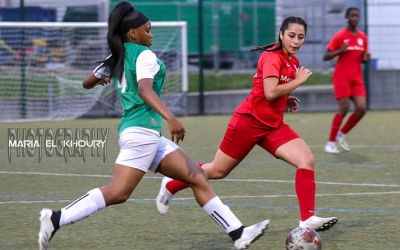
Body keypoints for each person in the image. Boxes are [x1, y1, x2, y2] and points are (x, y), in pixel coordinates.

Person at [37, 2, 269, 250]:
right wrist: (171, 117)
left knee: (197, 177)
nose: (151, 34)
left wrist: (100, 78)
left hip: (141, 133)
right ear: (132, 33)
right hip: (141, 133)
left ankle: (238, 233)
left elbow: (87, 82)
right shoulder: (144, 55)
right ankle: (55, 219)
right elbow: (145, 89)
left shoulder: (118, 54)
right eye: (147, 30)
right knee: (118, 192)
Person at [156, 16, 338, 232]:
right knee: (217, 171)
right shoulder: (272, 57)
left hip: (272, 126)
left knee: (306, 160)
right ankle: (172, 183)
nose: (296, 41)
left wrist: (286, 100)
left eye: (301, 37)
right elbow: (270, 93)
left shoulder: (293, 61)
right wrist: (298, 81)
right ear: (281, 34)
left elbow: (269, 90)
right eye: (291, 36)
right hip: (248, 123)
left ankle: (307, 219)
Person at [323, 7, 370, 153]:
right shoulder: (340, 36)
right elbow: (326, 56)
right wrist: (339, 51)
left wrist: (365, 59)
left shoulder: (363, 37)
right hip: (342, 77)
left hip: (357, 78)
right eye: (352, 16)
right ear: (346, 17)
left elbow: (362, 58)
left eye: (357, 16)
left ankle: (341, 134)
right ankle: (330, 143)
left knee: (361, 108)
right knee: (344, 109)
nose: (355, 18)